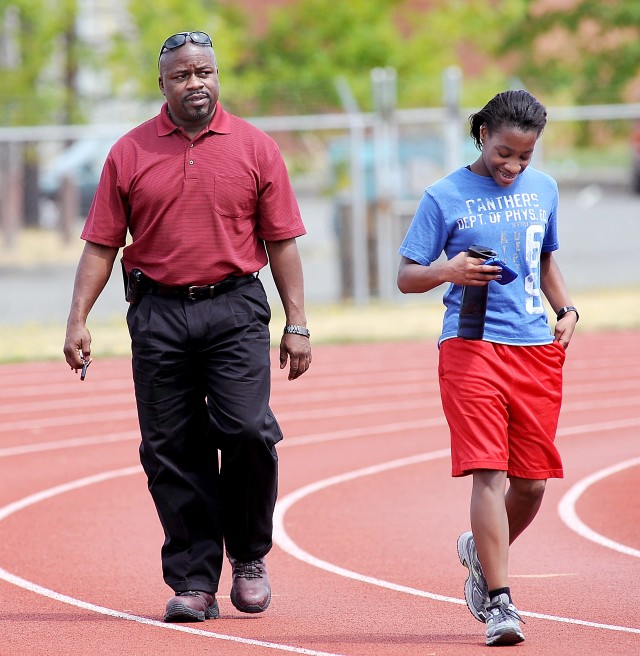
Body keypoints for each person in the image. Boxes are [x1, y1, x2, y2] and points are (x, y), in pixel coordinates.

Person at [63, 30, 312, 623]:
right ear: (163, 84)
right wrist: (78, 319)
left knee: (249, 430)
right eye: (181, 75)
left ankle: (249, 556)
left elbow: (282, 242)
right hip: (157, 314)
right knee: (171, 448)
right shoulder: (129, 152)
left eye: (204, 72)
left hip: (235, 308)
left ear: (216, 76)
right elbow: (102, 244)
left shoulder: (256, 147)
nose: (194, 83)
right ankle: (195, 580)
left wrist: (297, 322)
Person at [397, 89, 578, 646]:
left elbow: (544, 257)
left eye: (524, 156)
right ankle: (500, 603)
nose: (513, 166)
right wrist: (447, 270)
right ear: (482, 136)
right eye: (504, 153)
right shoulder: (444, 195)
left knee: (531, 486)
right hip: (471, 346)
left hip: (534, 349)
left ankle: (479, 551)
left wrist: (565, 308)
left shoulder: (542, 189)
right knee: (489, 472)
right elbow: (406, 275)